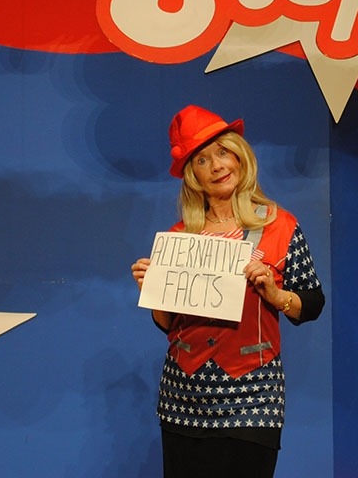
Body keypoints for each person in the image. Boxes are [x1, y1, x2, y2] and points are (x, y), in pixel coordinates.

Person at [131, 104, 326, 477]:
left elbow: (312, 303)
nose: (217, 166)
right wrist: (153, 290)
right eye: (202, 160)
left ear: (240, 156)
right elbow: (169, 325)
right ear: (193, 177)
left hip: (253, 395)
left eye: (223, 152)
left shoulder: (281, 226)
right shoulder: (180, 237)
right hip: (183, 397)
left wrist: (275, 295)